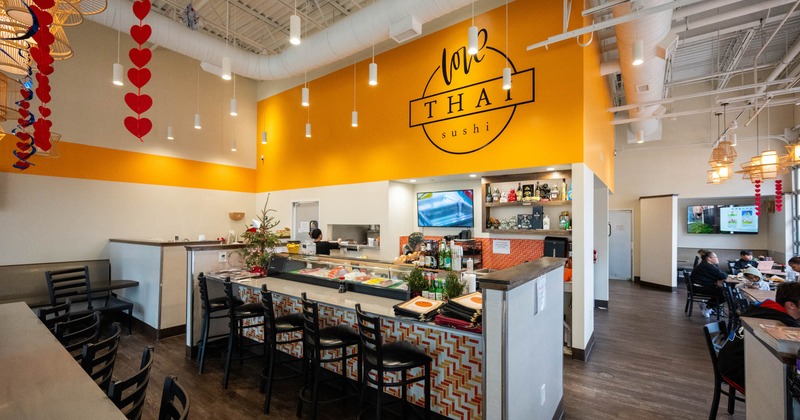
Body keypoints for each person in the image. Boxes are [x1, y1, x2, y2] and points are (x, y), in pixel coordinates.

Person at [717, 281, 800, 392]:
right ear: (791, 305)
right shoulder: (783, 324)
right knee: (788, 391)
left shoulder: (765, 310)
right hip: (737, 371)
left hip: (729, 362)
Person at [690, 249, 727, 317]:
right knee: (725, 293)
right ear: (709, 258)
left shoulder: (706, 264)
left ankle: (706, 305)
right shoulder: (708, 266)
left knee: (722, 291)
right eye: (715, 257)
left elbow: (720, 275)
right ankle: (707, 308)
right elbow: (723, 276)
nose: (717, 258)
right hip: (699, 287)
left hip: (700, 286)